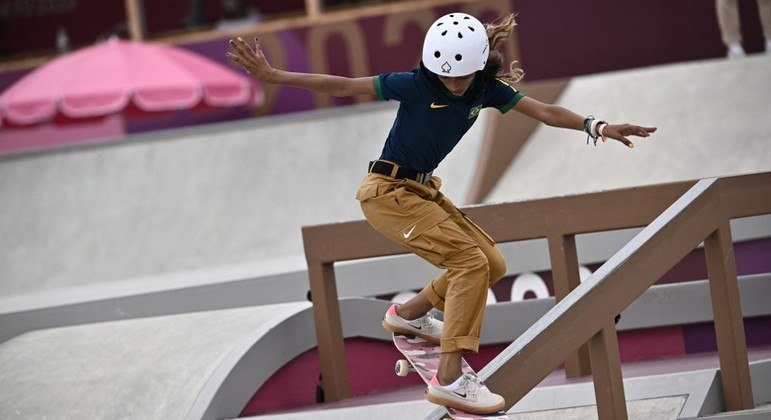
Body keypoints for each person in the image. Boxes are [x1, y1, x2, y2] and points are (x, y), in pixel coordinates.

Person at [227, 12, 656, 414]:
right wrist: (274, 75)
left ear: (478, 67)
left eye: (462, 76)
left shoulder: (488, 90)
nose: (452, 84)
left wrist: (597, 126)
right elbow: (344, 85)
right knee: (467, 262)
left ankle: (408, 315)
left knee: (490, 263)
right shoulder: (415, 84)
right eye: (445, 76)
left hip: (421, 191)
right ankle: (450, 378)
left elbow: (544, 111)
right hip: (387, 192)